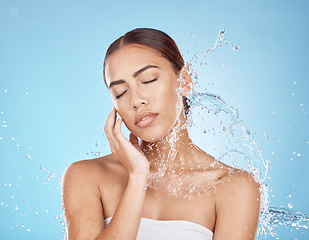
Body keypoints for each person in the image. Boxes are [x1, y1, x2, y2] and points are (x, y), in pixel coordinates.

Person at [61, 28, 261, 240]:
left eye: (148, 80)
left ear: (183, 81)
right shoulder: (86, 176)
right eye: (120, 92)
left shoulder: (234, 186)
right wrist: (138, 176)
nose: (136, 100)